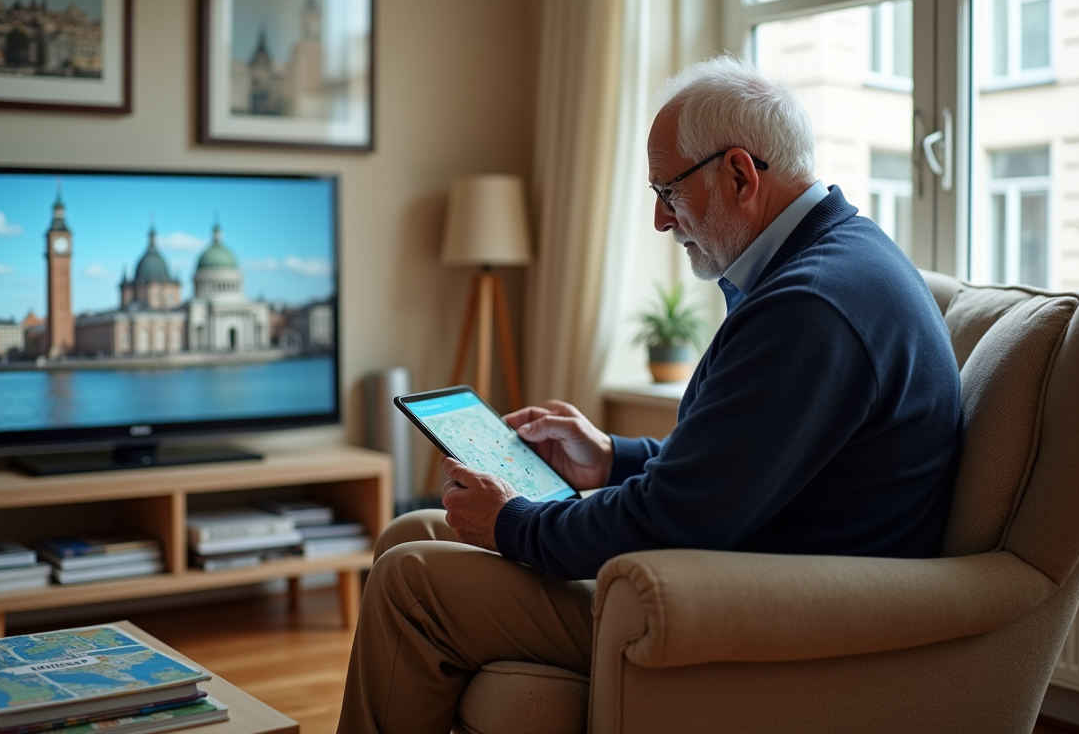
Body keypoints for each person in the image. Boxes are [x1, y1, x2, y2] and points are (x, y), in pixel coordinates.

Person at [336, 55, 962, 734]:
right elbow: (745, 467)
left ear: (740, 174)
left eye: (668, 191)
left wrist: (514, 523)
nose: (663, 222)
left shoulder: (810, 307)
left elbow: (678, 519)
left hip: (753, 611)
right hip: (732, 568)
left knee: (410, 581)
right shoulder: (831, 264)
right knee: (412, 530)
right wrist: (610, 459)